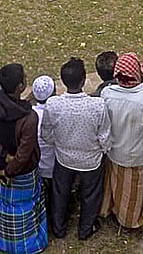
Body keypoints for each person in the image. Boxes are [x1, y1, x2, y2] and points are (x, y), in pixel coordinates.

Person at [43, 57, 111, 241]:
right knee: (90, 194)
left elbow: (46, 134)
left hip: (64, 158)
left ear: (63, 80)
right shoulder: (97, 105)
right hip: (91, 160)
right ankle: (85, 229)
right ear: (83, 81)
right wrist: (104, 151)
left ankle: (58, 228)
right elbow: (104, 136)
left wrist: (61, 144)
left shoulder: (53, 104)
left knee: (60, 193)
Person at [0, 63, 47, 254]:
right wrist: (8, 171)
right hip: (20, 170)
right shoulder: (29, 118)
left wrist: (2, 156)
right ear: (21, 86)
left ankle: (4, 237)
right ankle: (25, 243)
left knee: (4, 204)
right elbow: (23, 155)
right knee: (26, 206)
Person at [99, 53, 143, 230]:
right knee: (132, 190)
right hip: (136, 155)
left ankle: (109, 207)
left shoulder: (107, 94)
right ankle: (129, 217)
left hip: (113, 151)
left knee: (115, 183)